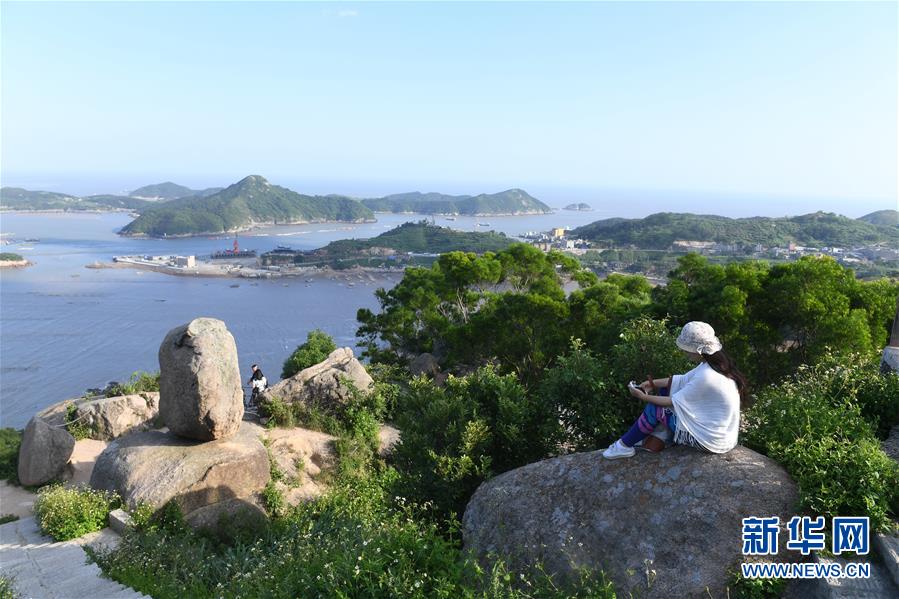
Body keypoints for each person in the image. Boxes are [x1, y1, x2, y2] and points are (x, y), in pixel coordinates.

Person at [602, 321, 748, 459]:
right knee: (667, 389)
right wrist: (651, 384)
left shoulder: (706, 375)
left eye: (687, 350)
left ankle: (623, 446)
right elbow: (682, 380)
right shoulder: (716, 365)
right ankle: (657, 440)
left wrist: (641, 396)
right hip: (723, 435)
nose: (685, 353)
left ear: (698, 351)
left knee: (656, 408)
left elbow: (670, 402)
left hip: (711, 441)